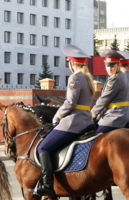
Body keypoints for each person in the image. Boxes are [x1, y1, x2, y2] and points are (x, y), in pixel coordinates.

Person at [35, 44, 95, 197]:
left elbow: (70, 103)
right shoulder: (88, 78)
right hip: (86, 120)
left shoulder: (75, 77)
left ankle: (48, 185)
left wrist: (58, 116)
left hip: (73, 122)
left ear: (71, 63)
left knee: (43, 148)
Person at [91, 49, 129, 133]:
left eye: (112, 66)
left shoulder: (114, 79)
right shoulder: (120, 75)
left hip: (116, 115)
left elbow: (104, 99)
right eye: (107, 66)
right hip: (122, 113)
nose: (109, 69)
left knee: (94, 136)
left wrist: (93, 113)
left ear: (118, 65)